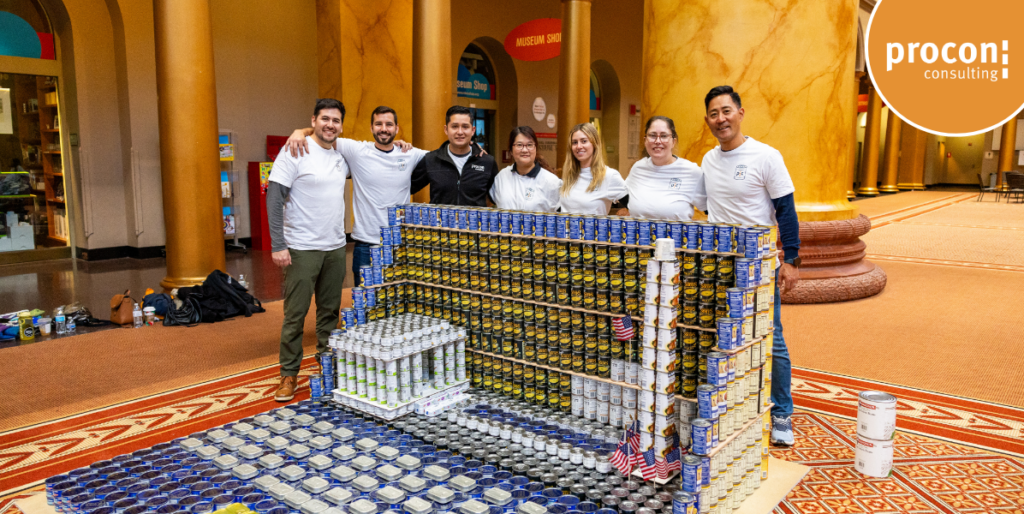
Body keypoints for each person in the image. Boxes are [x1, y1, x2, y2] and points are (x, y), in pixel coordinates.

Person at [697, 85, 801, 446]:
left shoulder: (766, 156)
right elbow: (710, 207)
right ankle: (734, 405)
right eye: (713, 113)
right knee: (723, 338)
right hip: (719, 268)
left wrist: (791, 260)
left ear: (740, 113)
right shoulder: (708, 161)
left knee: (771, 338)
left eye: (726, 111)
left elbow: (786, 212)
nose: (720, 119)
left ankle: (783, 414)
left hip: (759, 268)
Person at [267, 98, 350, 402]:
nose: (330, 125)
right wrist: (278, 245)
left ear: (341, 126)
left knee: (330, 311)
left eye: (336, 121)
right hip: (301, 248)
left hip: (335, 246)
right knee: (296, 315)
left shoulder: (342, 155)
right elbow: (274, 199)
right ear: (313, 120)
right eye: (324, 119)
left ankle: (327, 365)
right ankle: (288, 375)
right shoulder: (295, 150)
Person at [284, 106, 427, 279]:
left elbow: (440, 158)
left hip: (399, 243)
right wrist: (300, 132)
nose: (383, 128)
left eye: (389, 124)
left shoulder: (410, 154)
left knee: (398, 302)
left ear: (396, 129)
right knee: (365, 301)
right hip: (365, 244)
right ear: (371, 128)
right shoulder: (357, 150)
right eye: (378, 124)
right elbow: (324, 134)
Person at [410, 105, 500, 206]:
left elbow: (496, 197)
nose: (460, 132)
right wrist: (393, 148)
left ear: (473, 130)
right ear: (446, 129)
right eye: (454, 126)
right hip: (440, 221)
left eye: (465, 127)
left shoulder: (487, 162)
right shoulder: (431, 160)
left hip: (474, 221)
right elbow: (405, 189)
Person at [624, 116, 703, 220]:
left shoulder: (691, 171)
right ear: (645, 141)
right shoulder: (638, 168)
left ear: (673, 141)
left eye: (664, 136)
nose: (657, 141)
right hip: (640, 235)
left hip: (676, 236)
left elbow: (710, 208)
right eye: (652, 135)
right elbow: (624, 197)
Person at [558, 123, 627, 214]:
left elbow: (636, 206)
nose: (578, 146)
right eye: (575, 142)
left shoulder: (609, 176)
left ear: (594, 144)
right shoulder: (569, 175)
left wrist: (626, 212)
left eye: (584, 141)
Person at [489, 126, 562, 212]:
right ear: (511, 150)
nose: (524, 150)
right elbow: (488, 203)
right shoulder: (502, 177)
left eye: (529, 145)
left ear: (535, 148)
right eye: (519, 145)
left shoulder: (551, 181)